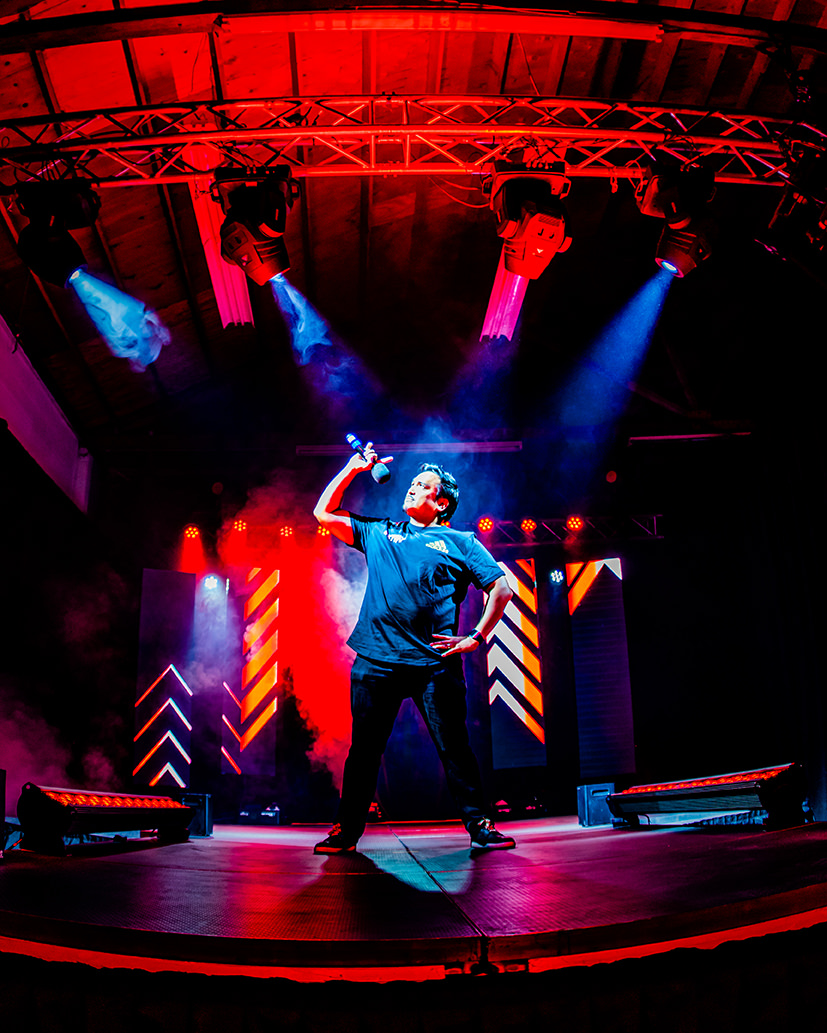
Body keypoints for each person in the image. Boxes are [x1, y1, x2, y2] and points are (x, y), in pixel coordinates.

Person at [312, 442, 516, 853]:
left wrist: (476, 637)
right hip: (375, 661)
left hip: (435, 665)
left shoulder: (460, 541)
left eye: (423, 485)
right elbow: (323, 514)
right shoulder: (380, 531)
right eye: (413, 482)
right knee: (364, 752)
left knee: (454, 748)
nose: (412, 487)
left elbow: (502, 589)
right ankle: (346, 831)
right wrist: (352, 469)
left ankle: (480, 826)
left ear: (441, 503)